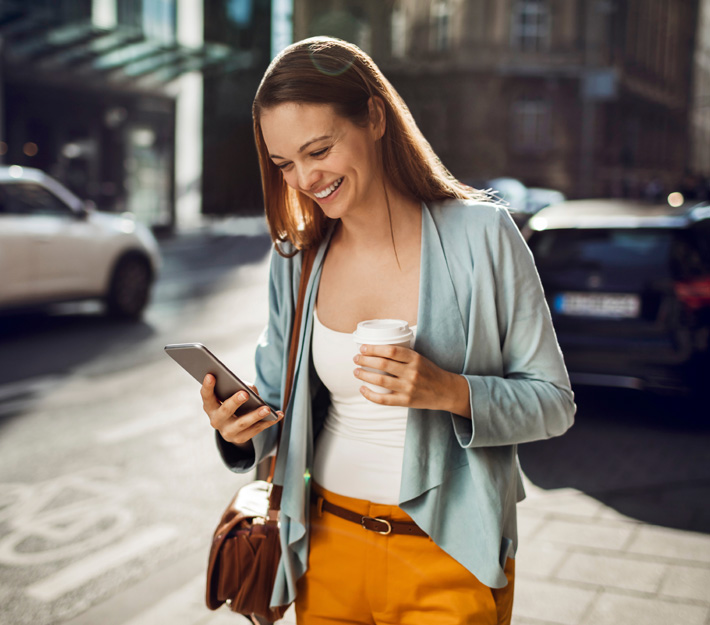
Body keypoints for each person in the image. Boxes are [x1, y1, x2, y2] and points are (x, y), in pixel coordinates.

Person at [200, 36, 575, 625]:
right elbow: (274, 410)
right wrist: (238, 430)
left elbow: (553, 404)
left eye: (318, 149)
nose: (304, 178)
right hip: (324, 548)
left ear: (374, 117)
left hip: (448, 554)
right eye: (284, 164)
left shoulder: (482, 236)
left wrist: (448, 391)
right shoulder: (297, 257)